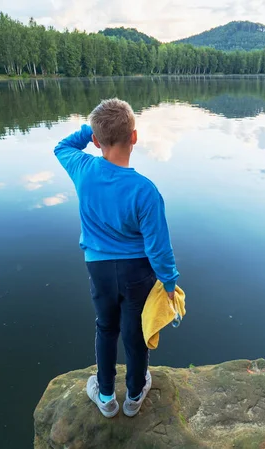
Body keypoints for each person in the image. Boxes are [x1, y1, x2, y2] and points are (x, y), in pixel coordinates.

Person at [53, 98, 179, 419]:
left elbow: (61, 147)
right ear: (134, 137)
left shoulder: (83, 169)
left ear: (95, 142)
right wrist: (169, 283)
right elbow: (159, 248)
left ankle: (106, 396)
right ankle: (134, 395)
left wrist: (92, 129)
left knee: (106, 328)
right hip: (138, 272)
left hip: (99, 269)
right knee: (135, 332)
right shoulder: (145, 191)